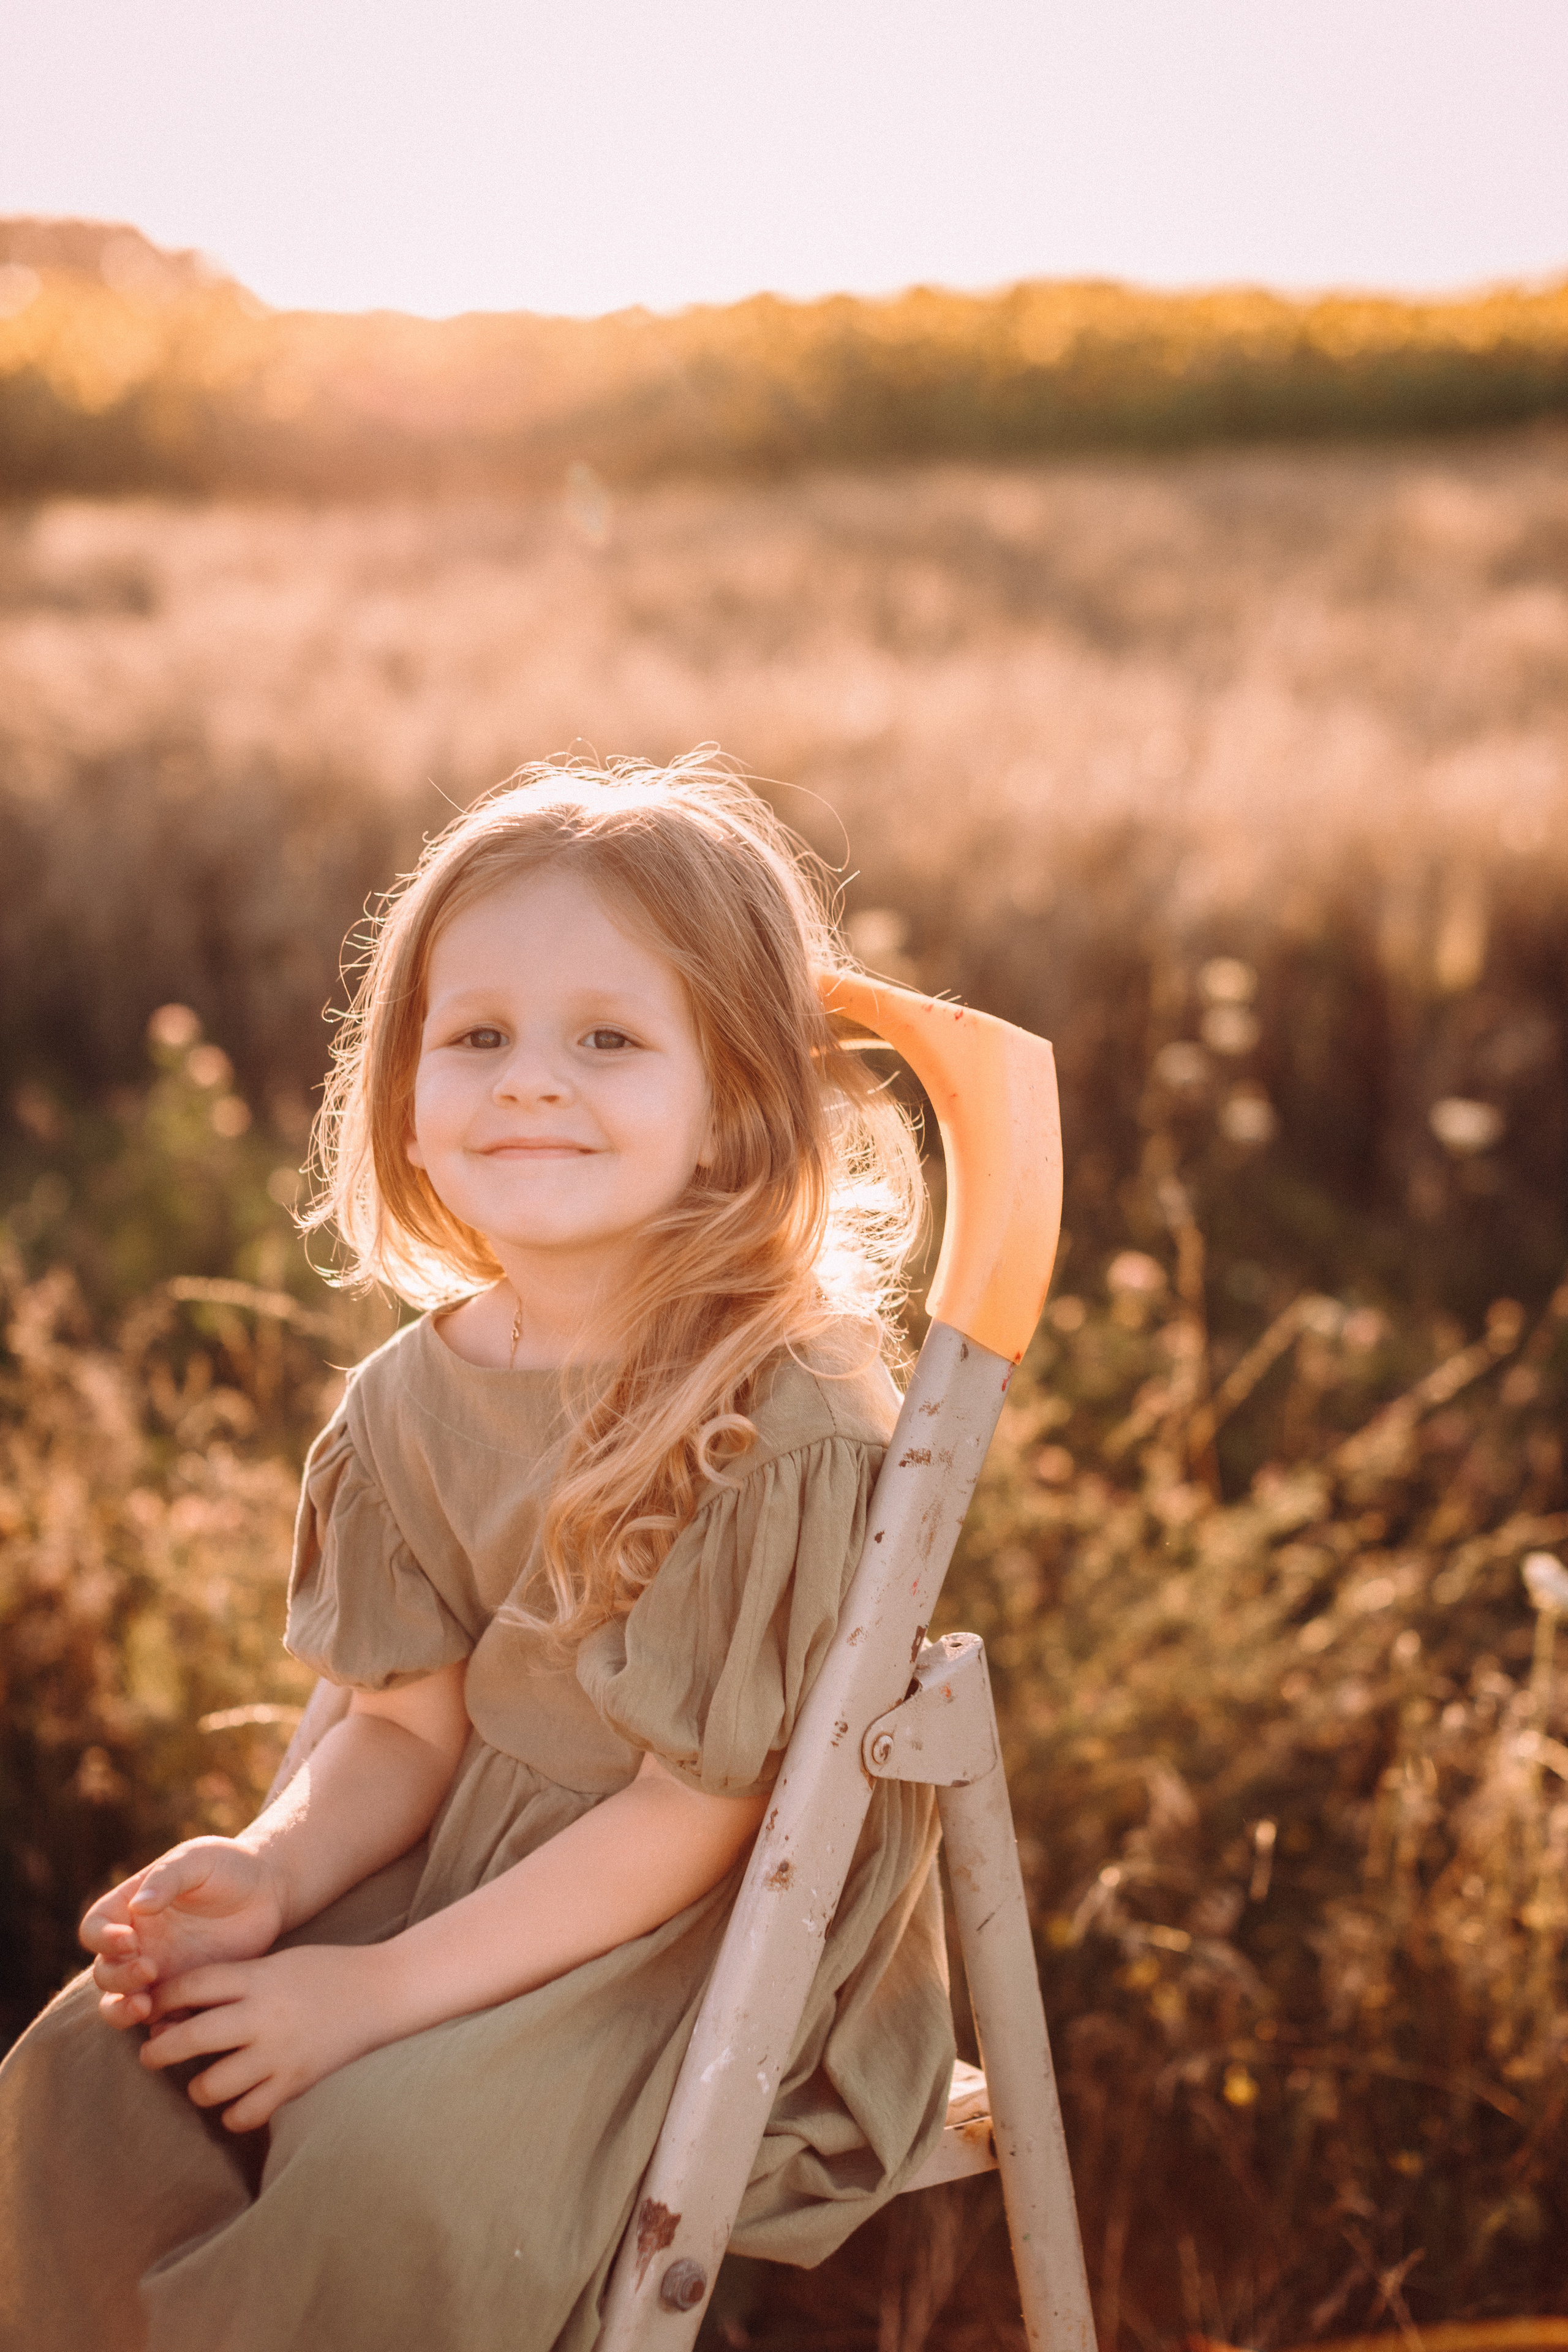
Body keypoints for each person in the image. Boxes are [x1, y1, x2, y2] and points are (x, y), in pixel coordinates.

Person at [0, 760, 956, 2352]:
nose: (529, 1081)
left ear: (731, 1096)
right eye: (478, 1037)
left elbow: (696, 1815)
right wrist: (278, 1867)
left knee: (381, 2168)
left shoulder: (780, 1411)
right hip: (461, 1864)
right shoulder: (407, 1397)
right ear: (405, 1096)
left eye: (608, 1038)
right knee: (93, 2070)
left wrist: (365, 1997)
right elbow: (399, 1727)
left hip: (697, 1934)